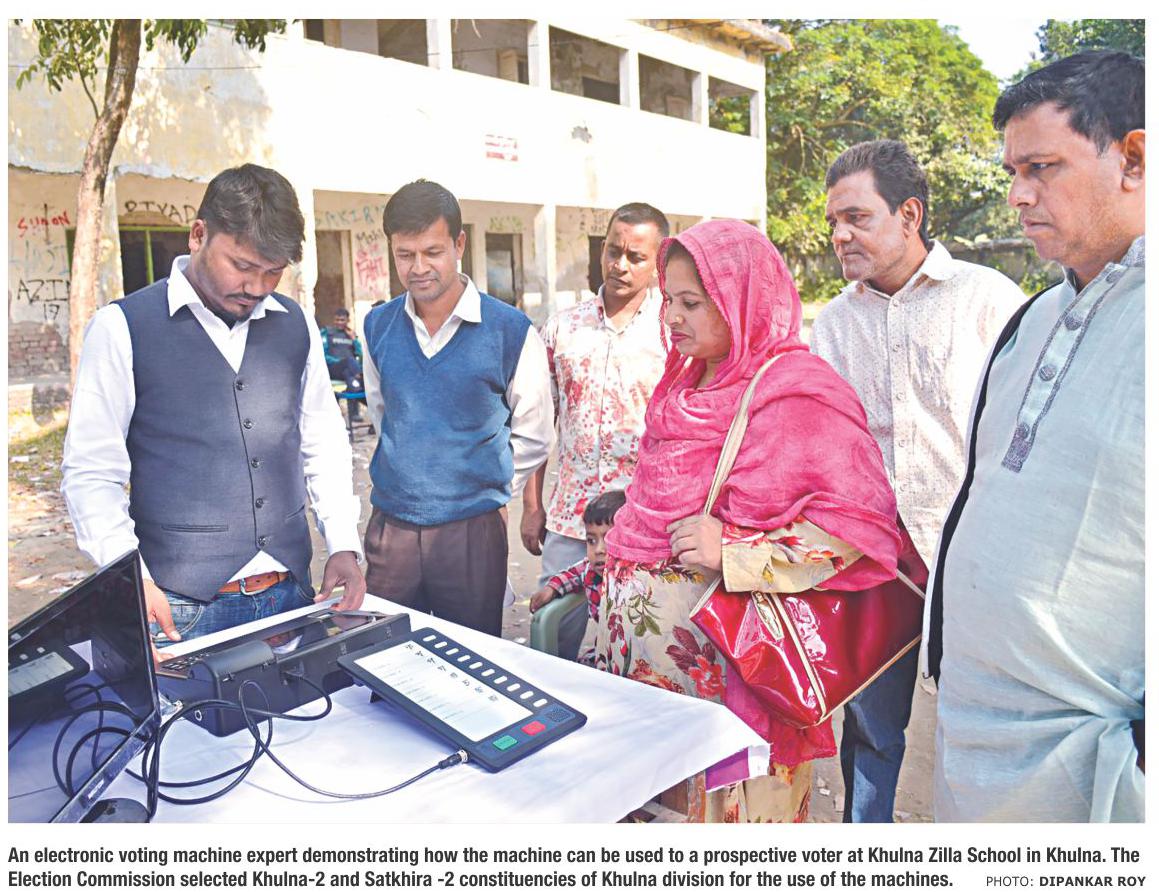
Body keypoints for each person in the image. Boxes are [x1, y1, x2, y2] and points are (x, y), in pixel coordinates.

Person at [595, 219, 902, 822]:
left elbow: (854, 529)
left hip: (733, 674)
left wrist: (734, 550)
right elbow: (645, 513)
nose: (672, 317)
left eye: (692, 303)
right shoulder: (682, 385)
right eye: (669, 300)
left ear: (742, 300)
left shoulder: (795, 394)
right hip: (644, 673)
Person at [924, 51, 1145, 822]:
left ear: (1133, 157)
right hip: (968, 740)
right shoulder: (1031, 320)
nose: (1017, 196)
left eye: (1041, 168)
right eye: (1013, 172)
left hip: (1094, 775)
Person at [61, 164, 366, 651]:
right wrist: (129, 577)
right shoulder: (121, 328)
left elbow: (323, 442)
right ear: (198, 235)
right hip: (176, 608)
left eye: (273, 272)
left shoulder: (296, 325)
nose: (257, 287)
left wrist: (343, 542)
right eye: (242, 266)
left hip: (291, 596)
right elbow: (91, 473)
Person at [811, 139, 1025, 823]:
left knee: (983, 727)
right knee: (871, 728)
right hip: (875, 563)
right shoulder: (832, 325)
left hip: (974, 556)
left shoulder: (988, 300)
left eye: (856, 217)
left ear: (909, 215)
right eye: (833, 222)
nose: (840, 235)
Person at [362, 180, 553, 636]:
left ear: (459, 245)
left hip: (472, 532)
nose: (418, 268)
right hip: (392, 529)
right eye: (405, 254)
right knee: (382, 655)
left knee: (471, 657)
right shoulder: (377, 326)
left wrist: (487, 489)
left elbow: (535, 433)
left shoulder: (510, 330)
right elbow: (383, 414)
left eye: (432, 252)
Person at [521, 202, 669, 659]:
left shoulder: (672, 332)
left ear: (658, 261)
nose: (620, 265)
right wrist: (532, 505)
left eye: (636, 257)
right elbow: (538, 423)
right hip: (570, 521)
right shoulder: (562, 329)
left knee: (641, 645)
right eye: (613, 251)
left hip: (644, 521)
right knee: (552, 637)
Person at [529, 489, 626, 640]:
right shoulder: (591, 571)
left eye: (609, 539)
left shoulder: (645, 576)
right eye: (591, 541)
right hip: (607, 648)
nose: (599, 550)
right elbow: (574, 573)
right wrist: (552, 588)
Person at [321, 307, 364, 422]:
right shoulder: (326, 333)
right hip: (332, 369)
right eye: (337, 320)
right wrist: (341, 362)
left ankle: (354, 414)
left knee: (350, 377)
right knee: (349, 362)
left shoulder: (351, 334)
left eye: (342, 320)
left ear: (348, 320)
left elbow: (360, 355)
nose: (339, 322)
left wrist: (354, 340)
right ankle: (361, 377)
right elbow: (323, 355)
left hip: (348, 370)